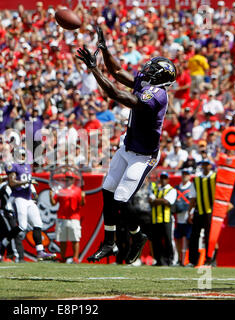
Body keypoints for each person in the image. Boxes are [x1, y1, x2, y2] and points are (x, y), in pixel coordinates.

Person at [76, 27, 176, 263]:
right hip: (127, 146)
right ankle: (109, 243)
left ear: (160, 76)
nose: (147, 70)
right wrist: (104, 49)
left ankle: (138, 236)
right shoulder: (148, 85)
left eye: (153, 69)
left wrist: (93, 69)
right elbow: (118, 71)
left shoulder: (157, 96)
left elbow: (118, 95)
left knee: (121, 201)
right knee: (108, 191)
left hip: (143, 155)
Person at [4, 147, 56, 261]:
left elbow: (29, 181)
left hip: (28, 199)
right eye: (19, 155)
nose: (21, 157)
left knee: (38, 224)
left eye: (23, 155)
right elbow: (12, 183)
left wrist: (33, 192)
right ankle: (4, 242)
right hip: (19, 198)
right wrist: (27, 182)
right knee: (22, 226)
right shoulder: (12, 166)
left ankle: (40, 251)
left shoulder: (27, 166)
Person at [49, 171, 85, 263]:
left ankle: (75, 258)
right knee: (62, 240)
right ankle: (62, 257)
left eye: (70, 178)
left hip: (74, 218)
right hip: (62, 217)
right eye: (67, 178)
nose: (68, 180)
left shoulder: (77, 190)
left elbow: (82, 204)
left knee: (75, 239)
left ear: (73, 180)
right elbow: (53, 203)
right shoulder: (61, 190)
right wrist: (50, 196)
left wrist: (83, 197)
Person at [187, 159, 217, 267]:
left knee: (210, 236)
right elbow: (192, 197)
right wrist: (189, 212)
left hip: (210, 211)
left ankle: (210, 260)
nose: (205, 166)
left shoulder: (215, 177)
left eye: (207, 164)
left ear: (210, 166)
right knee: (194, 236)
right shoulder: (196, 179)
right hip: (198, 210)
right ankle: (192, 260)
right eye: (203, 164)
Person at [148, 172, 177, 266]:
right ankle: (159, 260)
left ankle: (171, 260)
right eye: (162, 178)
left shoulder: (171, 190)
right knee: (157, 241)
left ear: (168, 179)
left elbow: (168, 201)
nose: (163, 180)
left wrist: (156, 200)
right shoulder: (156, 189)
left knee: (168, 240)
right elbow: (150, 201)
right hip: (156, 219)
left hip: (167, 219)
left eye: (165, 178)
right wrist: (161, 200)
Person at [174, 168, 196, 266]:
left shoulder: (192, 186)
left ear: (190, 176)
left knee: (188, 240)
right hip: (179, 217)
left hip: (187, 217)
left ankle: (186, 260)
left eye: (187, 174)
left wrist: (191, 213)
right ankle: (179, 260)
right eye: (183, 174)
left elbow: (193, 201)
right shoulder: (177, 187)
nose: (184, 176)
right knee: (178, 239)